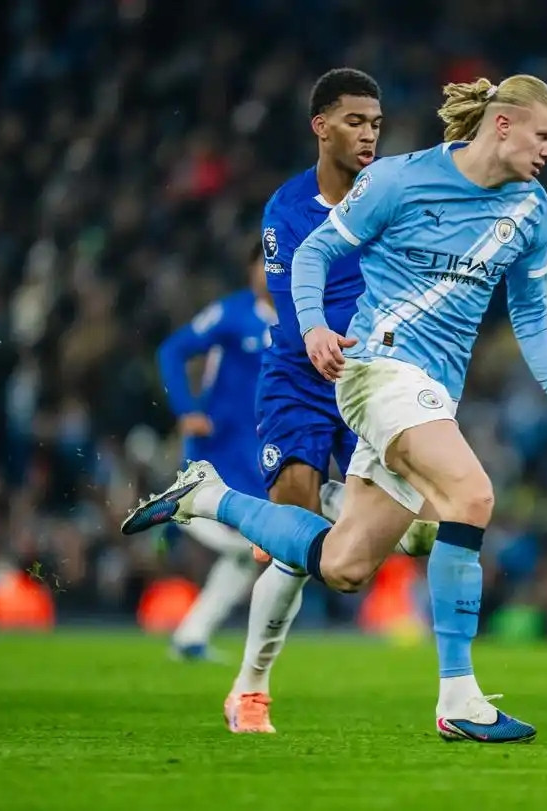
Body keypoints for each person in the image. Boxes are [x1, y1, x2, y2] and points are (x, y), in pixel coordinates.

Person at [123, 74, 547, 743]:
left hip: (431, 390)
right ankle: (456, 698)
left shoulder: (531, 210)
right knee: (472, 495)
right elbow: (315, 251)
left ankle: (208, 497)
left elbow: (533, 312)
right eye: (544, 136)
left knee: (345, 565)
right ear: (502, 125)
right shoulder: (399, 180)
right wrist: (315, 325)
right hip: (372, 371)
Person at [156, 67, 437, 735]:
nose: (368, 134)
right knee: (296, 533)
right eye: (354, 121)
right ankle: (250, 690)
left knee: (417, 535)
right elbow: (289, 304)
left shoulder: (393, 198)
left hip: (372, 381)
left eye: (375, 124)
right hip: (301, 377)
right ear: (321, 126)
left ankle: (259, 500)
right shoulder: (287, 209)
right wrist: (323, 334)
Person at [155, 245, 275, 663]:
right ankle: (170, 514)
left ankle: (191, 637)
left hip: (260, 457)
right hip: (219, 450)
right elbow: (172, 350)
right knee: (247, 545)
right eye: (262, 262)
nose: (269, 270)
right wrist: (186, 409)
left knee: (248, 553)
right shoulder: (231, 313)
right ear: (250, 269)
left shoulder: (302, 320)